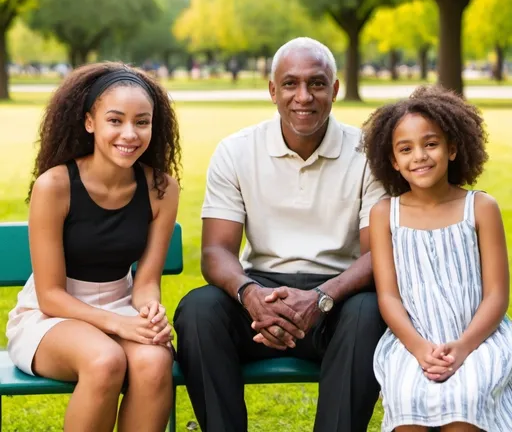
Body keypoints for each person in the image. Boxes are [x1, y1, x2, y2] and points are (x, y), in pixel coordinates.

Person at [174, 37, 388, 432]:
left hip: (338, 300)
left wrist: (321, 299)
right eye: (290, 84)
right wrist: (251, 296)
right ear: (272, 90)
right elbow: (216, 252)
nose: (303, 96)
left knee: (369, 311)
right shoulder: (236, 151)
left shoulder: (369, 153)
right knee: (199, 311)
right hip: (260, 293)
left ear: (335, 90)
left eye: (317, 83)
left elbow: (377, 256)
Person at [6, 62, 181, 432]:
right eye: (115, 120)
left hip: (120, 304)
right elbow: (50, 295)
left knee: (154, 362)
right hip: (50, 316)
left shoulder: (161, 189)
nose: (130, 134)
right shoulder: (55, 186)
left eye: (142, 122)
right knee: (105, 360)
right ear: (90, 122)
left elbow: (146, 280)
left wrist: (150, 315)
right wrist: (119, 324)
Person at [362, 85, 512, 432]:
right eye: (406, 149)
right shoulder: (385, 214)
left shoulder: (481, 208)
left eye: (431, 144)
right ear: (394, 162)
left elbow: (496, 296)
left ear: (453, 149)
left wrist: (462, 347)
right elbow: (388, 295)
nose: (420, 156)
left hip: (478, 338)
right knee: (408, 397)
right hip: (413, 340)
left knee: (467, 398)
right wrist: (417, 348)